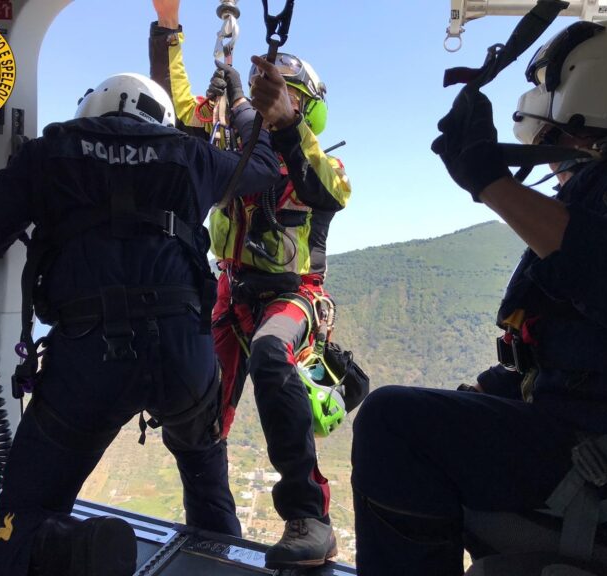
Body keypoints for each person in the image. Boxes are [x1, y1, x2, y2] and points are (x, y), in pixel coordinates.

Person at [0, 72, 279, 576]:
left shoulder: (50, 153)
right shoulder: (191, 153)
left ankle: (77, 548)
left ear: (96, 105)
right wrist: (245, 107)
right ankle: (221, 562)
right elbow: (263, 167)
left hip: (89, 359)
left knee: (23, 511)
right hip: (185, 357)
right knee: (207, 486)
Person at [351, 18, 607, 576]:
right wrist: (493, 387)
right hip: (602, 442)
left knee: (390, 421)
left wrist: (495, 186)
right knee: (425, 411)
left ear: (602, 88)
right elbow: (588, 343)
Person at [150, 0, 352, 568]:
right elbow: (182, 108)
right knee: (193, 407)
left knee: (269, 353)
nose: (267, 106)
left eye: (281, 98)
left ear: (301, 110)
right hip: (229, 293)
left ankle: (309, 516)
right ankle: (211, 524)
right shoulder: (235, 149)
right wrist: (169, 30)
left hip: (295, 295)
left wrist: (260, 111)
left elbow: (320, 192)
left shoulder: (322, 167)